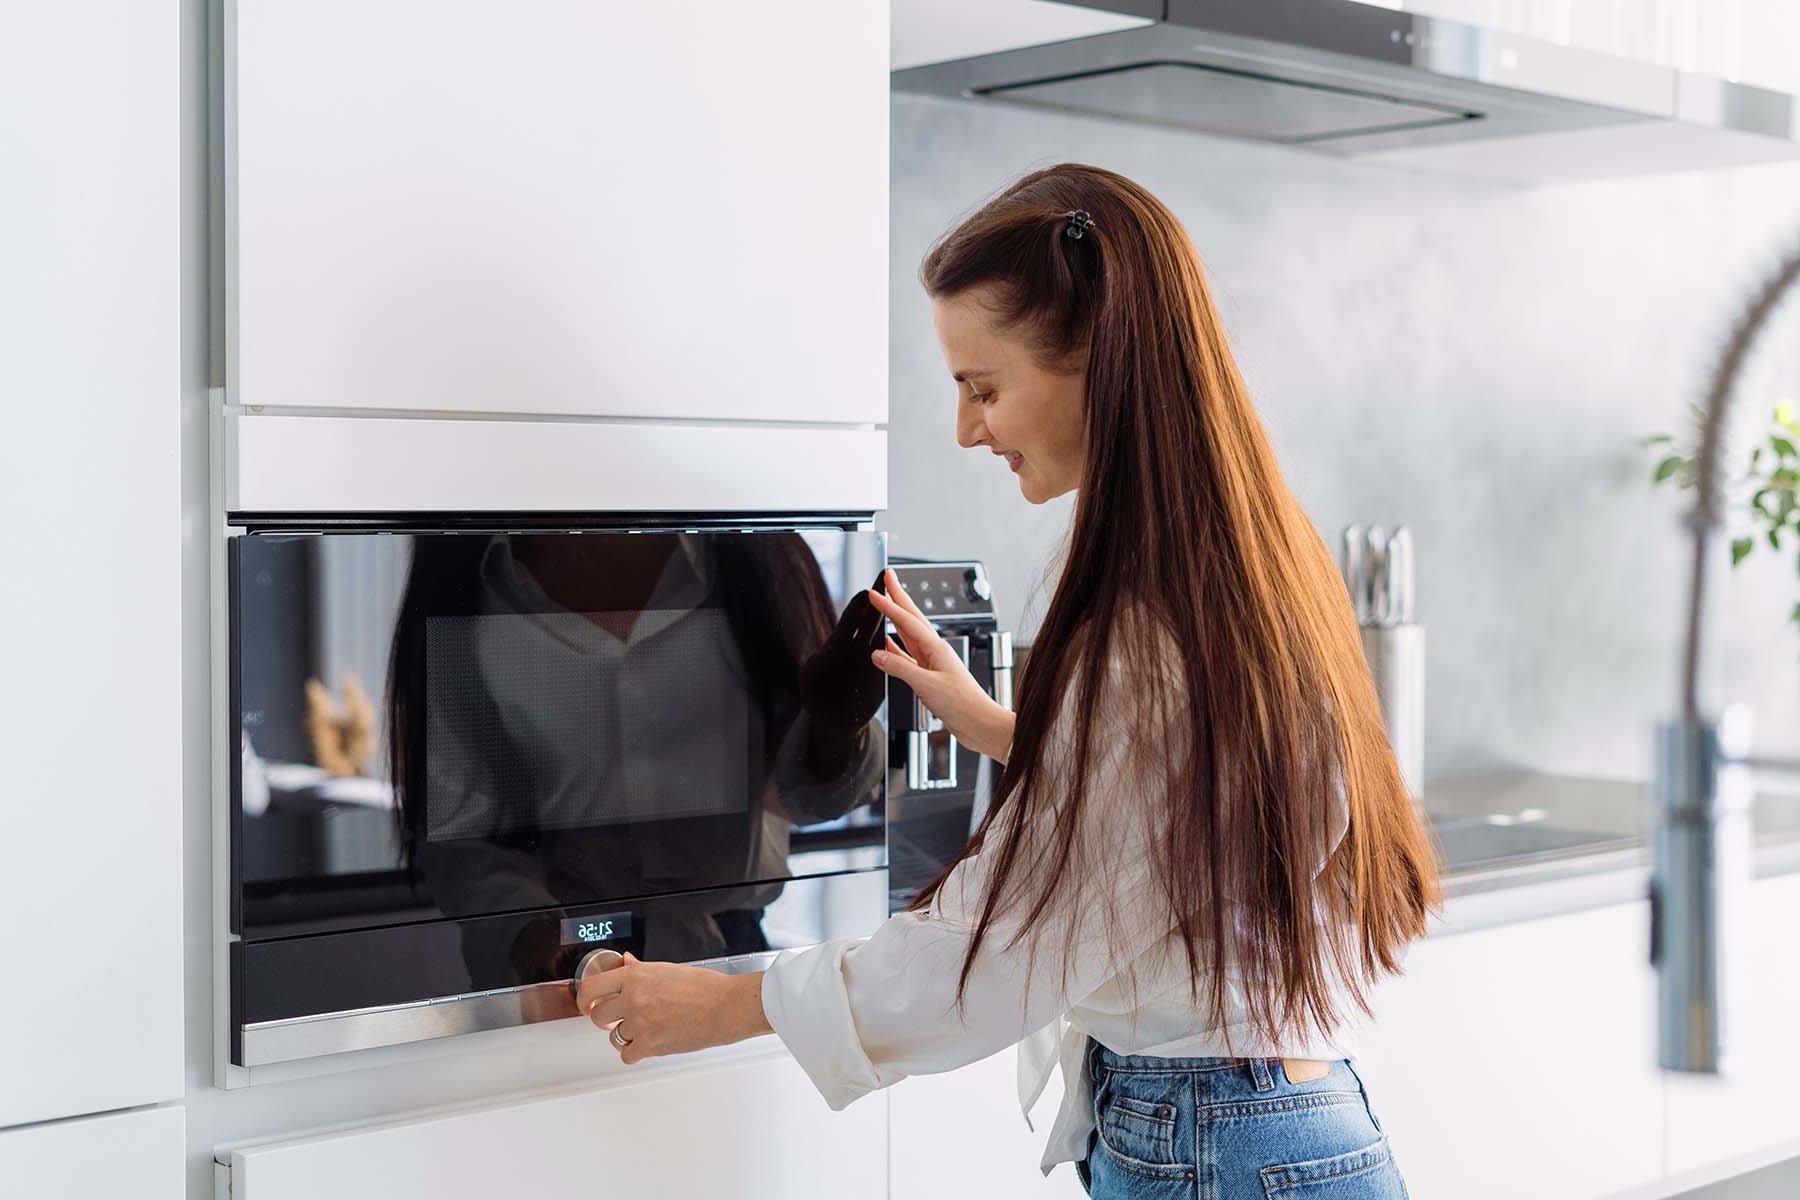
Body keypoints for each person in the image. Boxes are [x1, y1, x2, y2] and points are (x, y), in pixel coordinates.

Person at [575, 164, 1440, 1196]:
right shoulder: (1250, 557)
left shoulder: (1144, 629)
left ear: (1097, 363)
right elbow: (1177, 808)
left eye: (984, 387)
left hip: (1218, 1140)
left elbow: (999, 945)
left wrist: (724, 1005)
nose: (966, 429)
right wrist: (1006, 728)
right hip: (1282, 1120)